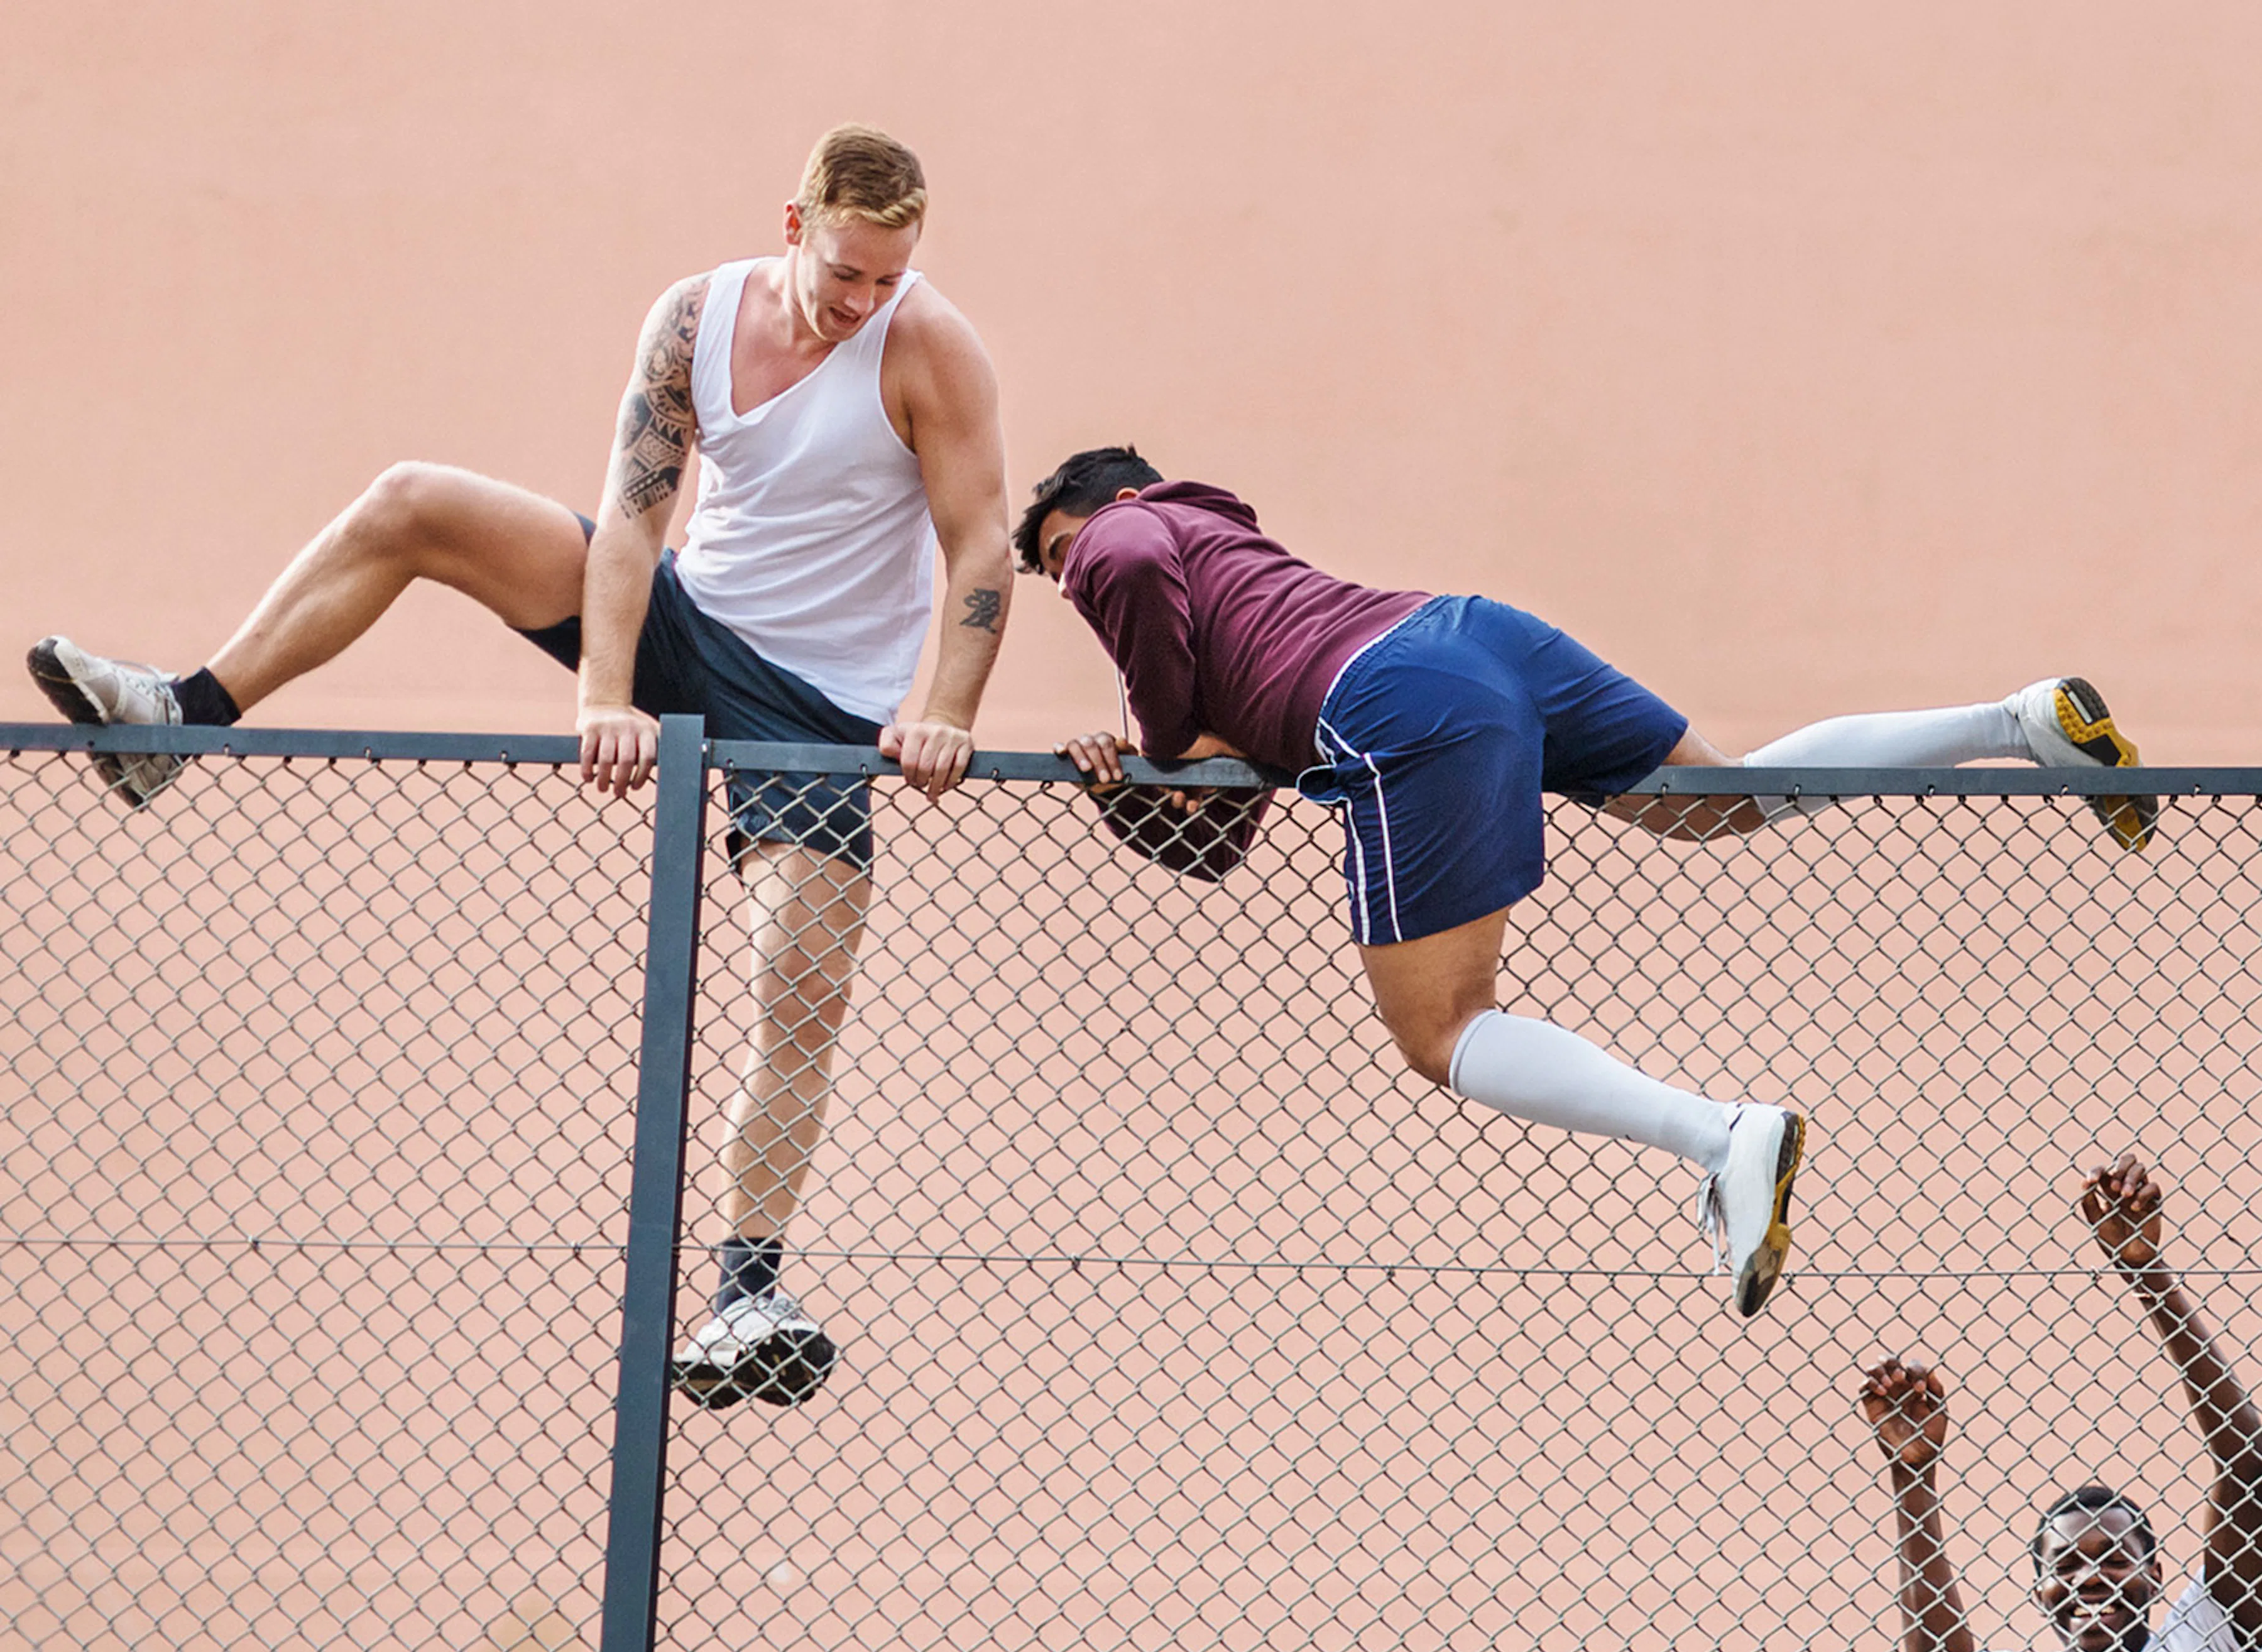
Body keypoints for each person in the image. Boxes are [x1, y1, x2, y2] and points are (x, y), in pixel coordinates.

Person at [26, 125, 1016, 1409]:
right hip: (686, 622)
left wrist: (944, 709)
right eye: (844, 273)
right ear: (795, 225)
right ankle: (180, 719)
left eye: (887, 279)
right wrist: (608, 694)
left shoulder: (930, 348)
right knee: (411, 501)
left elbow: (981, 545)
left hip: (822, 709)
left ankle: (745, 1292)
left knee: (802, 985)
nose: (861, 301)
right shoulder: (694, 320)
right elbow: (634, 510)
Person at [1022, 446, 2155, 1316]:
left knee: (1443, 1031)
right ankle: (2019, 720)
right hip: (1473, 633)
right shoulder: (1231, 576)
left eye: (1056, 553)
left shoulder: (1128, 547)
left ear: (1113, 506)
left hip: (1391, 702)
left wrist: (1158, 733)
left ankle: (1724, 1138)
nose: (1067, 583)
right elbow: (1214, 846)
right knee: (1723, 801)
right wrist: (1131, 784)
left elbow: (1121, 568)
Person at [1859, 1156, 2262, 1652]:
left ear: (2157, 1574)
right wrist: (1913, 1479)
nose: (2091, 1578)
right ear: (2039, 1588)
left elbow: (2248, 1469)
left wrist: (2147, 1273)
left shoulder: (2211, 1632)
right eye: (2070, 1564)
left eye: (2115, 1558)